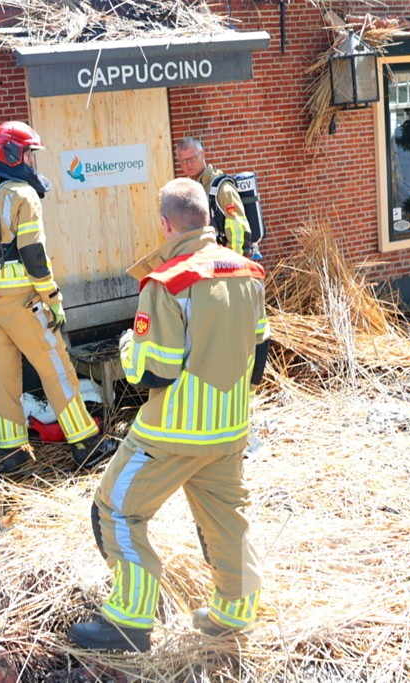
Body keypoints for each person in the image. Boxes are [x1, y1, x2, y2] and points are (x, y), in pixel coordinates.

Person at [68, 178, 270, 652]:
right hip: (230, 428)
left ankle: (129, 621)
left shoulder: (168, 282)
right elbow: (258, 359)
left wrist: (127, 347)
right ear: (208, 218)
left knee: (115, 509)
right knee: (226, 519)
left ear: (165, 224)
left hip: (171, 434)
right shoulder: (248, 273)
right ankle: (234, 613)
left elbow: (153, 373)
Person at [0, 121, 113, 471]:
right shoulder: (21, 194)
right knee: (56, 368)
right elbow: (33, 254)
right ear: (12, 153)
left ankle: (12, 452)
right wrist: (52, 298)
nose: (31, 162)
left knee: (3, 378)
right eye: (28, 153)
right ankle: (85, 442)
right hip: (23, 301)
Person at [175, 137, 252, 257]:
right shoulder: (190, 190)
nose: (189, 164)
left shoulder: (222, 189)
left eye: (193, 158)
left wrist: (234, 264)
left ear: (203, 155)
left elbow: (239, 232)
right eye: (184, 160)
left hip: (226, 263)